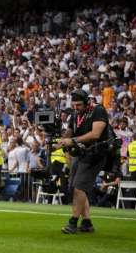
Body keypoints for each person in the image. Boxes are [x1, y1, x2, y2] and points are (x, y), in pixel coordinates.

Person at [57, 89, 111, 234]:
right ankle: (87, 223)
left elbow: (95, 134)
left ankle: (73, 223)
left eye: (79, 105)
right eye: (74, 105)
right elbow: (69, 131)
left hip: (95, 153)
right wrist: (62, 141)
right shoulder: (75, 114)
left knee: (79, 187)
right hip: (80, 154)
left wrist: (72, 140)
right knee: (74, 188)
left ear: (87, 102)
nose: (76, 108)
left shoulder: (98, 110)